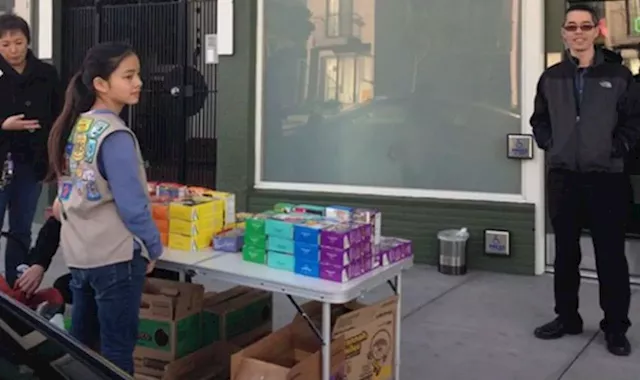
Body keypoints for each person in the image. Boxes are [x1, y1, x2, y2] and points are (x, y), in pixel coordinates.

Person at [46, 42, 163, 374]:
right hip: (115, 257)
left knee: (82, 346)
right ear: (100, 84)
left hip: (80, 255)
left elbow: (64, 196)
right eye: (128, 76)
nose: (138, 82)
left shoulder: (77, 126)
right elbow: (133, 207)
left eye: (137, 74)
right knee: (117, 350)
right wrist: (153, 245)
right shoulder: (116, 135)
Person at [530, 4, 640, 356]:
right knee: (565, 254)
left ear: (597, 31)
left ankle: (615, 328)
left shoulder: (618, 77)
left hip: (606, 179)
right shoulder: (551, 77)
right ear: (563, 33)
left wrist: (614, 148)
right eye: (571, 27)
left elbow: (633, 123)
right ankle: (567, 318)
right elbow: (539, 120)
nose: (578, 32)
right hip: (564, 178)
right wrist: (552, 143)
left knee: (610, 256)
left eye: (585, 26)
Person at [0, 14, 61, 287]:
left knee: (21, 228)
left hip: (32, 162)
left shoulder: (46, 74)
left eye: (18, 42)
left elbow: (59, 114)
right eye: (4, 44)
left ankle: (17, 287)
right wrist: (4, 125)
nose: (13, 50)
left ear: (28, 42)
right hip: (2, 160)